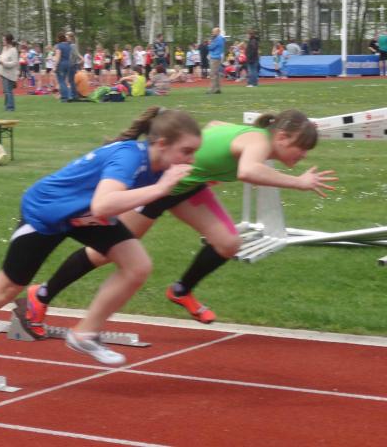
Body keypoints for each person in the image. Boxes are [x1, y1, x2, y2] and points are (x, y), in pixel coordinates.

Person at [0, 107, 200, 386]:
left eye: (194, 153)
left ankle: (85, 334)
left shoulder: (159, 167)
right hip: (47, 213)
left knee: (137, 266)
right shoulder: (130, 157)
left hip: (83, 217)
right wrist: (161, 188)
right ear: (161, 144)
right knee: (6, 288)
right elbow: (103, 203)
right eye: (186, 151)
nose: (191, 160)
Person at [25, 110, 336, 332]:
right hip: (160, 187)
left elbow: (214, 126)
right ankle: (41, 294)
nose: (303, 156)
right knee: (104, 253)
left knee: (228, 243)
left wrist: (207, 163)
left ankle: (180, 290)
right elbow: (248, 171)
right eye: (302, 148)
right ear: (282, 137)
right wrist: (299, 183)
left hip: (188, 188)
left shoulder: (251, 136)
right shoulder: (259, 141)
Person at [0, 33, 19, 112]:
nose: (3, 41)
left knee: (8, 91)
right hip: (3, 73)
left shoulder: (13, 50)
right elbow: (1, 58)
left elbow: (14, 63)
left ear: (8, 41)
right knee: (6, 91)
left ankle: (10, 107)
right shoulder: (4, 49)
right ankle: (7, 107)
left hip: (9, 74)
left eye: (4, 40)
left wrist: (3, 63)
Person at [53, 33, 73, 102]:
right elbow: (70, 56)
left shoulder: (59, 46)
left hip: (61, 64)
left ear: (59, 38)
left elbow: (58, 57)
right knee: (66, 81)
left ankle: (65, 97)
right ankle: (70, 95)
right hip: (68, 63)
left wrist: (55, 66)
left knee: (61, 81)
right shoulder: (69, 46)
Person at [207, 27, 225, 94]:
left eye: (213, 32)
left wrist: (209, 44)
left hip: (214, 57)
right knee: (216, 74)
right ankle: (217, 89)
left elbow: (211, 47)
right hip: (217, 57)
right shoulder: (220, 39)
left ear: (218, 32)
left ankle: (212, 89)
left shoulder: (218, 39)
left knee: (213, 74)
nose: (212, 33)